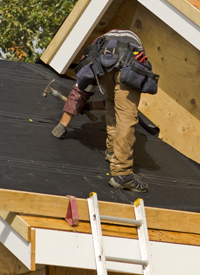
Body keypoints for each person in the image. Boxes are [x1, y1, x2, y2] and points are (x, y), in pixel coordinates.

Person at [51, 29, 159, 193]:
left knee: (111, 102)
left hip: (109, 66)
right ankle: (122, 173)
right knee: (126, 117)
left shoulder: (97, 52)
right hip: (129, 65)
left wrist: (62, 125)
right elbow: (121, 105)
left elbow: (80, 92)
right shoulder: (129, 45)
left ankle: (111, 151)